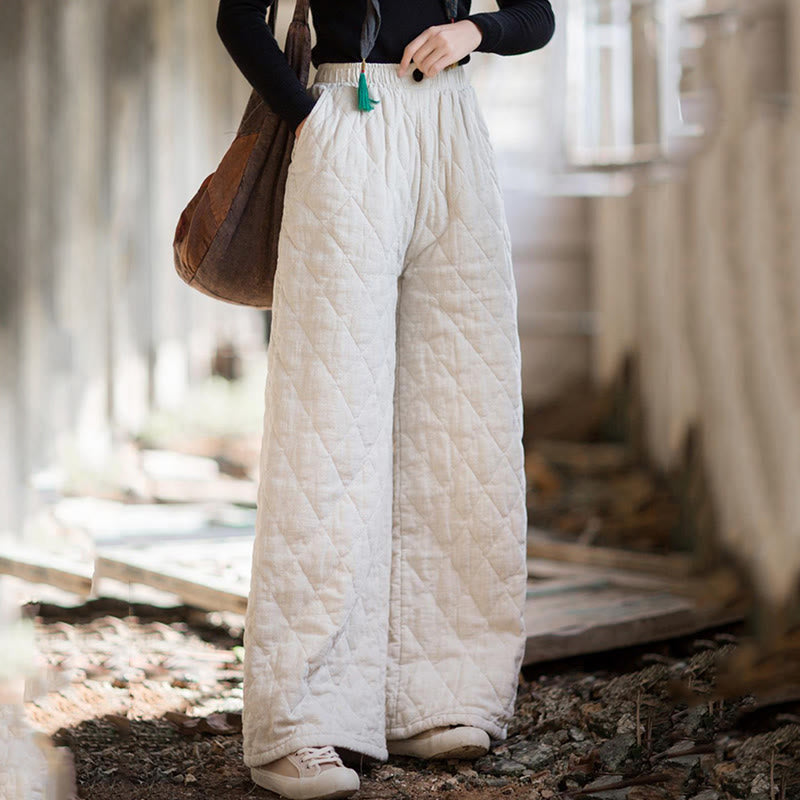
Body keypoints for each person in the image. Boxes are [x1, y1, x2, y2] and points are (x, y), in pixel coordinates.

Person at [216, 1, 555, 798]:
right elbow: (238, 18)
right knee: (329, 431)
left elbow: (536, 15)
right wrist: (310, 118)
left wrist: (476, 31)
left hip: (453, 130)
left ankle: (443, 692)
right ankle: (300, 724)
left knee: (463, 419)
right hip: (345, 123)